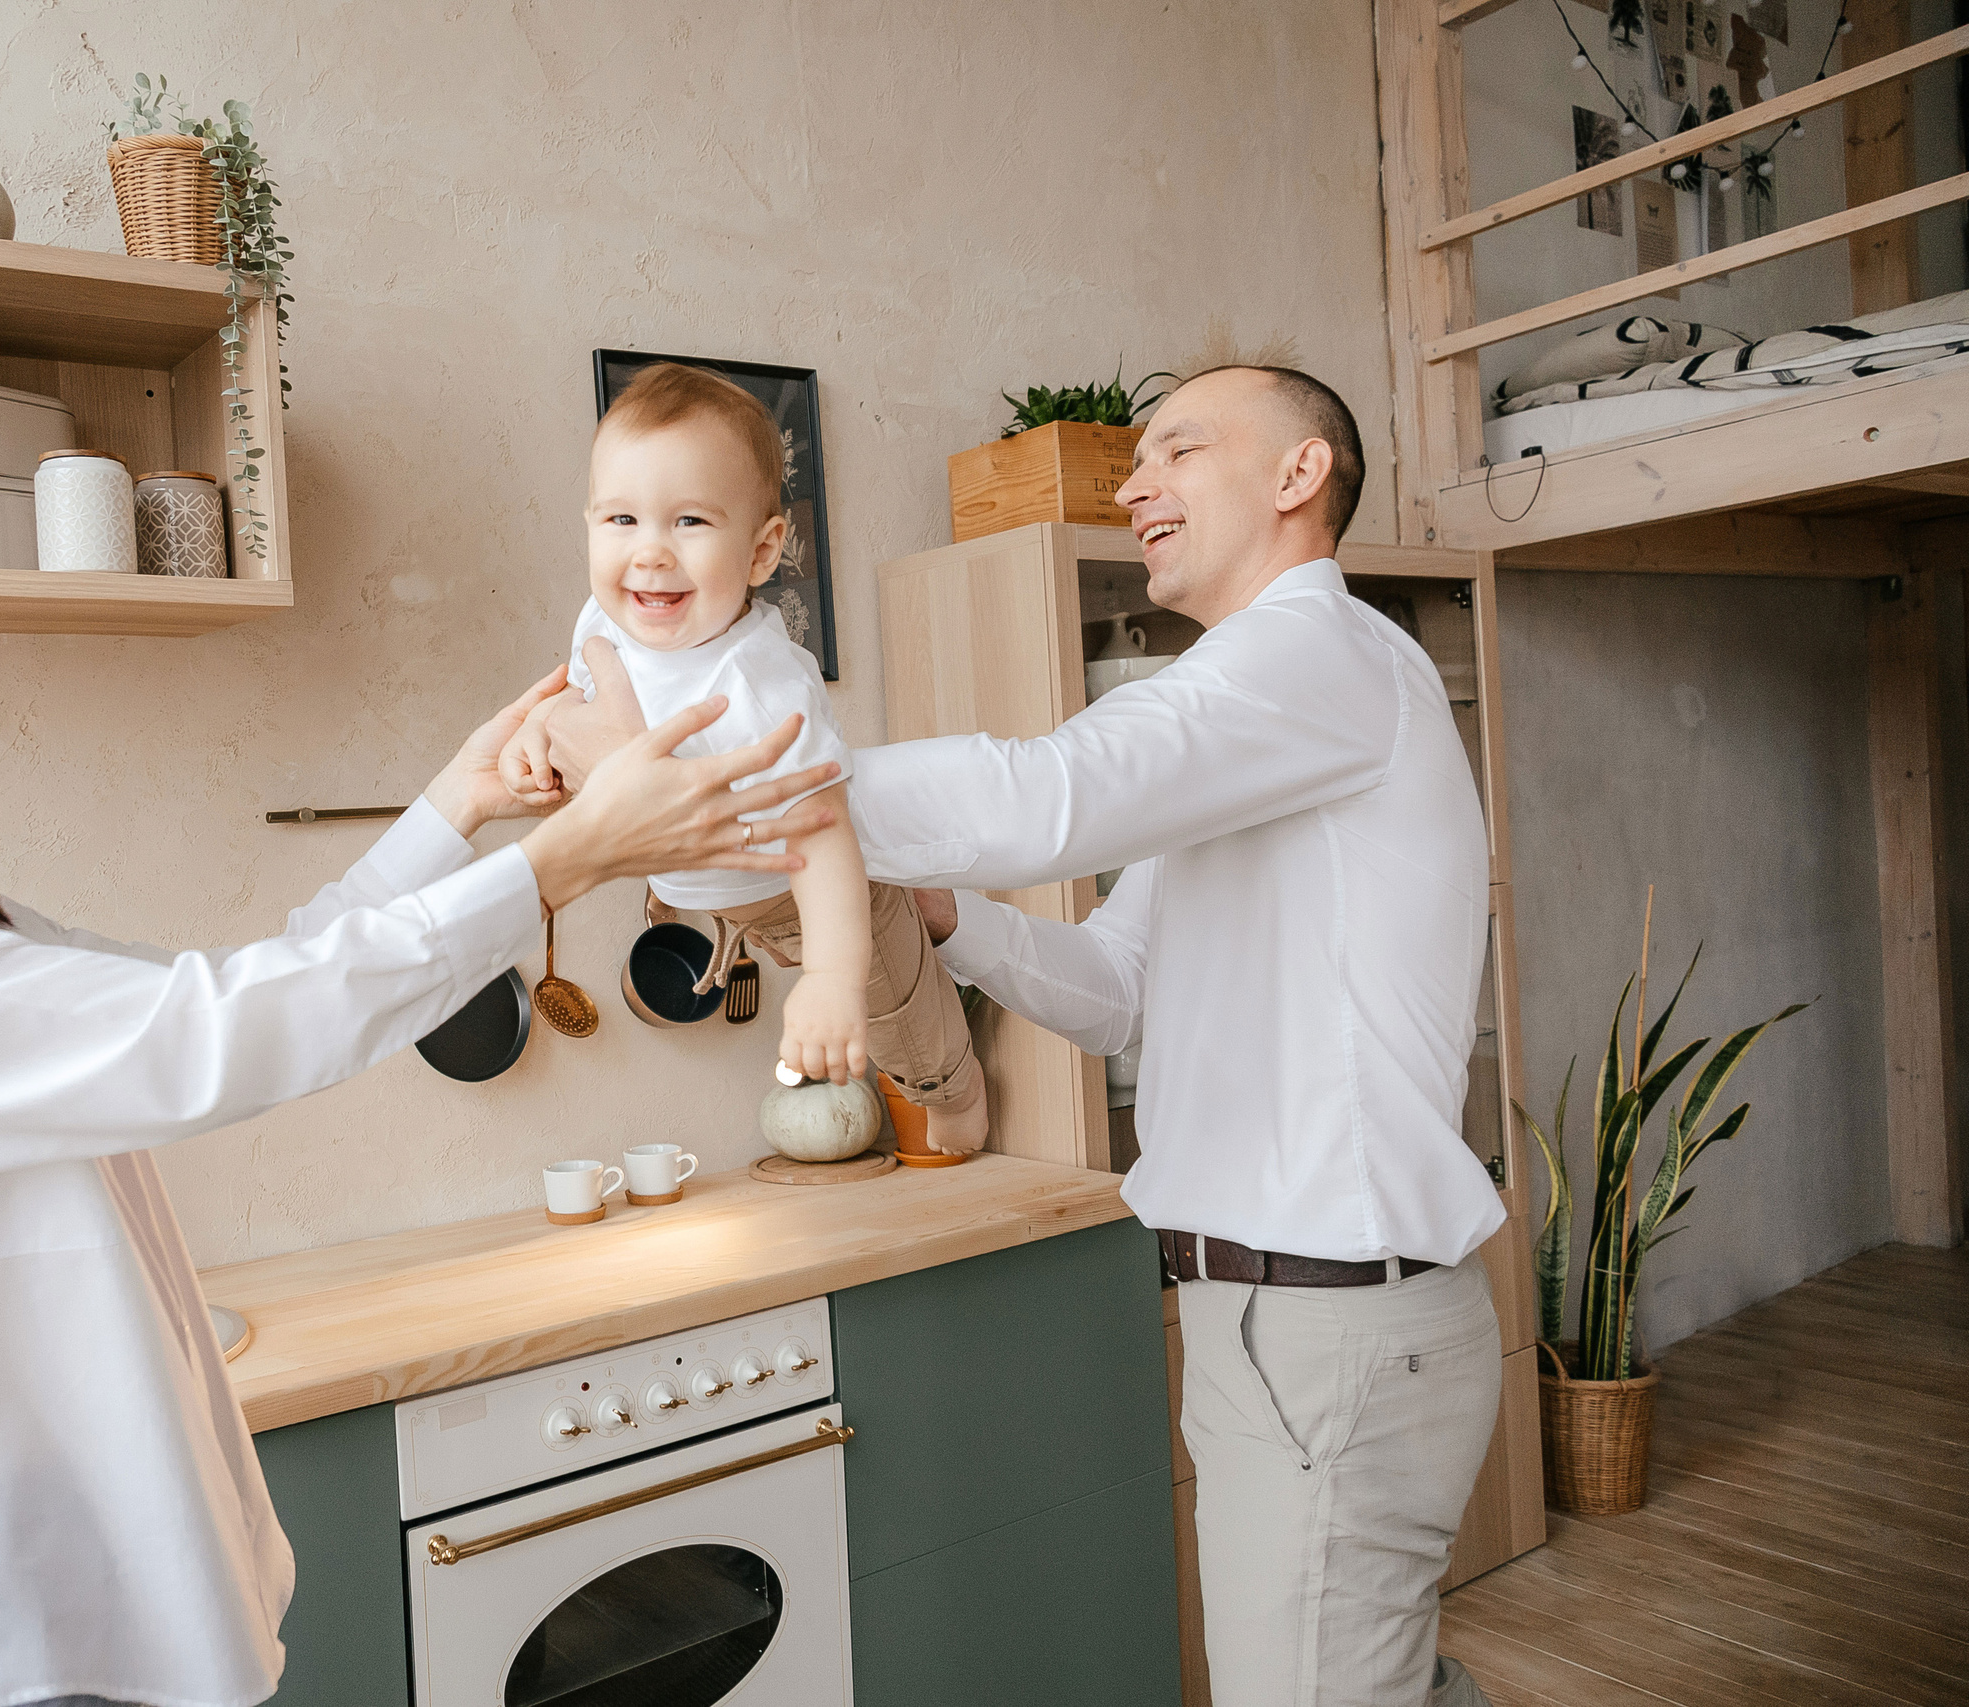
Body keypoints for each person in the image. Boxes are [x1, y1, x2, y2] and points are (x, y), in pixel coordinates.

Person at [0, 466, 839, 1707]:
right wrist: (565, 858)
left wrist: (468, 800)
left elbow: (252, 979)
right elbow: (218, 1034)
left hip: (53, 1640)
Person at [550, 365, 1503, 1707]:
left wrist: (742, 791)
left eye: (1178, 446)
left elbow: (1055, 790)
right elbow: (1118, 989)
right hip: (1272, 1318)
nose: (1135, 481)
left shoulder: (1319, 655)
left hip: (1332, 1317)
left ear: (1299, 475)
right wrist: (947, 918)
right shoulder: (1257, 725)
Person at [500, 361, 986, 1147]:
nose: (649, 553)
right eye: (621, 520)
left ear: (762, 553)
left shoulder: (761, 686)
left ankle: (956, 1091)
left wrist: (831, 979)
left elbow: (823, 835)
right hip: (699, 882)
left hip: (801, 890)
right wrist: (537, 728)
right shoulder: (605, 617)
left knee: (892, 1010)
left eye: (688, 521)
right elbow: (578, 694)